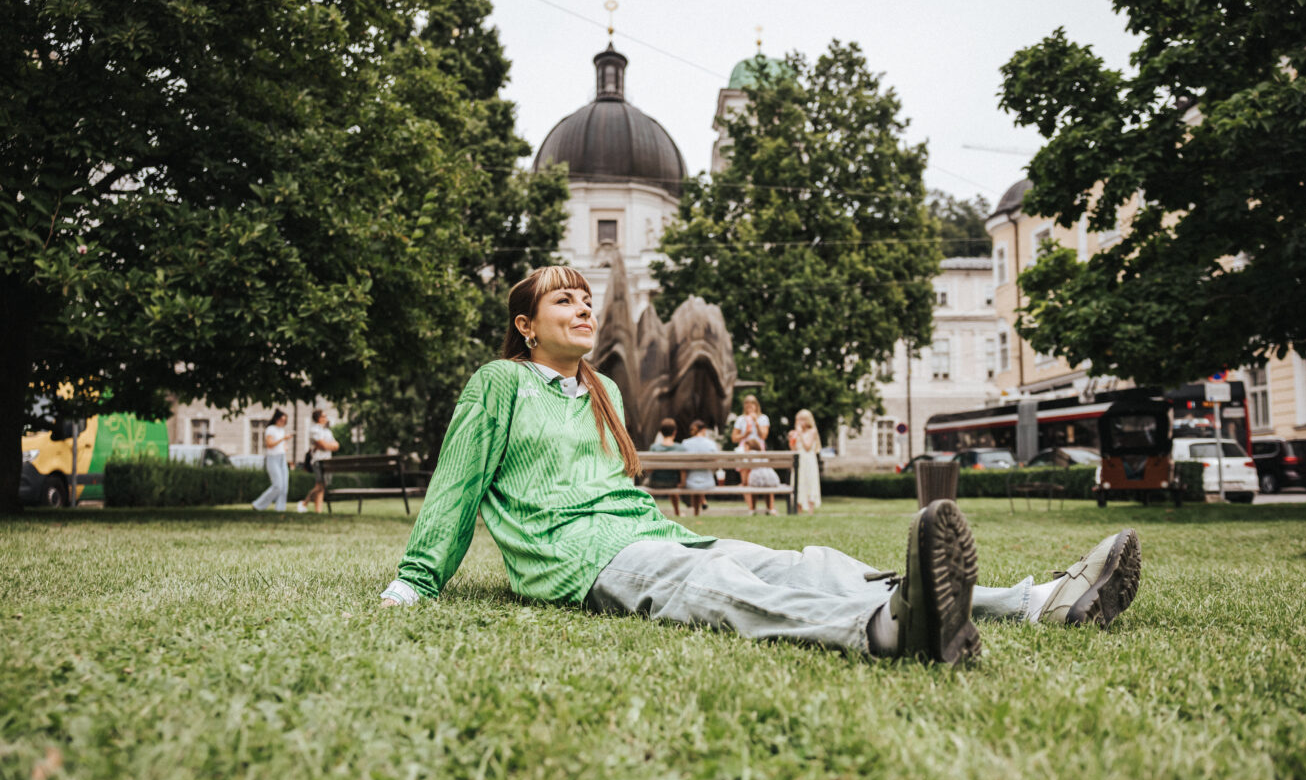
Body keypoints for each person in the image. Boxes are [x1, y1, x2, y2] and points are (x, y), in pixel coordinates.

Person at [377, 267, 1143, 666]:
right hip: (575, 557)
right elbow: (458, 485)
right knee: (713, 590)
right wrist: (415, 580)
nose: (582, 311)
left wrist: (657, 529)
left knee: (804, 560)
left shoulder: (605, 389)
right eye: (562, 304)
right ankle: (882, 631)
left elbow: (616, 486)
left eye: (586, 300)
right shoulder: (500, 382)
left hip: (647, 534)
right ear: (525, 325)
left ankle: (1037, 601)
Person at [297, 409, 340, 514]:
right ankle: (304, 503)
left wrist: (327, 446)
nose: (326, 418)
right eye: (324, 416)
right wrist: (328, 446)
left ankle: (317, 509)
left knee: (322, 486)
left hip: (327, 460)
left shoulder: (327, 431)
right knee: (320, 485)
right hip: (318, 460)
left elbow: (336, 445)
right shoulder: (314, 430)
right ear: (319, 418)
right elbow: (323, 445)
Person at [732, 394, 769, 511]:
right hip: (745, 449)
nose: (749, 406)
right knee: (745, 480)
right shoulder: (740, 419)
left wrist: (755, 422)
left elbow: (763, 436)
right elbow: (734, 438)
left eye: (752, 403)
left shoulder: (763, 418)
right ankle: (751, 508)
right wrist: (745, 434)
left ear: (756, 405)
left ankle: (767, 507)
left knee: (760, 476)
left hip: (758, 449)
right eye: (747, 404)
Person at [251, 410, 292, 512]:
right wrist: (283, 439)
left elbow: (282, 445)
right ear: (276, 419)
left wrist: (285, 445)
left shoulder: (281, 430)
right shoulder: (270, 429)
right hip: (273, 458)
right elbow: (269, 444)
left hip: (282, 458)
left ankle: (280, 509)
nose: (283, 422)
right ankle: (258, 505)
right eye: (281, 419)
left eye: (285, 420)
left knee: (284, 486)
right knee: (277, 485)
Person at [646, 417, 686, 517]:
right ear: (675, 432)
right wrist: (683, 483)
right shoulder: (680, 448)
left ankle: (651, 512)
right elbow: (683, 469)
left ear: (660, 432)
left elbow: (649, 469)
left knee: (647, 483)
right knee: (672, 486)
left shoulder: (654, 447)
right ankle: (677, 512)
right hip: (673, 483)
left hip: (655, 483)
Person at [680, 419, 719, 517]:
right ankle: (698, 511)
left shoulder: (685, 443)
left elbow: (683, 466)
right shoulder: (711, 444)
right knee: (699, 478)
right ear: (704, 430)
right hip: (708, 482)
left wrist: (683, 482)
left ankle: (695, 513)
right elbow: (716, 464)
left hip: (690, 482)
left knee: (694, 479)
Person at [792, 408, 823, 514]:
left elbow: (807, 447)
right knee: (799, 483)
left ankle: (810, 511)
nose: (800, 422)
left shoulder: (812, 431)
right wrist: (792, 439)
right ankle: (798, 510)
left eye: (802, 420)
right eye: (798, 420)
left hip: (809, 461)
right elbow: (793, 449)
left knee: (810, 483)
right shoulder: (796, 433)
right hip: (799, 461)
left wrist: (800, 434)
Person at [741, 439, 781, 515]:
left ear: (749, 447)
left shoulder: (749, 454)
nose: (744, 448)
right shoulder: (763, 454)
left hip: (757, 480)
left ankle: (752, 509)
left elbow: (745, 469)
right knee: (767, 488)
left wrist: (744, 482)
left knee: (752, 486)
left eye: (745, 446)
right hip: (771, 479)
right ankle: (770, 509)